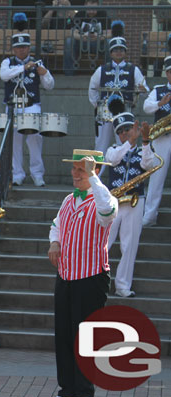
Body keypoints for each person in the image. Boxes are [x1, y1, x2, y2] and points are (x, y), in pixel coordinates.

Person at [45, 150, 117, 397]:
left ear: (93, 171)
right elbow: (57, 224)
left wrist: (94, 177)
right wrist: (55, 242)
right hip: (66, 275)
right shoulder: (68, 200)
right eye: (74, 169)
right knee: (63, 334)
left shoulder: (104, 198)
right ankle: (67, 390)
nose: (75, 174)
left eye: (81, 169)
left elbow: (107, 211)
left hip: (91, 276)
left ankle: (85, 393)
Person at [105, 112, 157, 298]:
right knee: (104, 243)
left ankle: (123, 286)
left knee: (130, 246)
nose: (125, 133)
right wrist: (130, 143)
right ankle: (97, 280)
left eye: (128, 129)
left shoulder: (144, 148)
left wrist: (144, 141)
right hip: (113, 201)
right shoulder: (112, 149)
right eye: (121, 131)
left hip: (135, 201)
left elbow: (149, 164)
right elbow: (113, 160)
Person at [0, 13, 55, 187]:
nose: (22, 50)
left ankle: (37, 174)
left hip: (32, 106)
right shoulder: (7, 62)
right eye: (18, 47)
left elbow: (50, 85)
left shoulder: (37, 62)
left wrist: (44, 74)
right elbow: (4, 76)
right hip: (13, 107)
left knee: (34, 140)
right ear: (14, 49)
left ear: (29, 47)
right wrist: (23, 67)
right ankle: (18, 174)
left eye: (24, 47)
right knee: (15, 142)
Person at [88, 20, 148, 157]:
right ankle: (96, 177)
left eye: (121, 50)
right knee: (100, 146)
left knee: (124, 145)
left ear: (125, 52)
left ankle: (123, 176)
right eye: (115, 50)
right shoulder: (101, 69)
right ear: (111, 52)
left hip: (125, 112)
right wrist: (98, 105)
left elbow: (146, 91)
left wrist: (142, 90)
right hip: (104, 112)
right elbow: (92, 88)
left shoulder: (133, 69)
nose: (119, 52)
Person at [142, 55, 171, 226]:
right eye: (169, 72)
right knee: (157, 176)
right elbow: (146, 107)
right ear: (166, 74)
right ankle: (150, 215)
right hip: (162, 138)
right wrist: (160, 103)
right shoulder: (159, 90)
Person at [64, 0, 109, 76]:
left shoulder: (103, 14)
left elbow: (110, 33)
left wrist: (99, 37)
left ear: (98, 6)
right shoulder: (80, 14)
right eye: (89, 9)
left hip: (98, 44)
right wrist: (82, 37)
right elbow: (73, 33)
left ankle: (109, 72)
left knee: (110, 42)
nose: (91, 11)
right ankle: (69, 73)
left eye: (94, 9)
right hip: (83, 44)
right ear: (85, 6)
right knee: (69, 41)